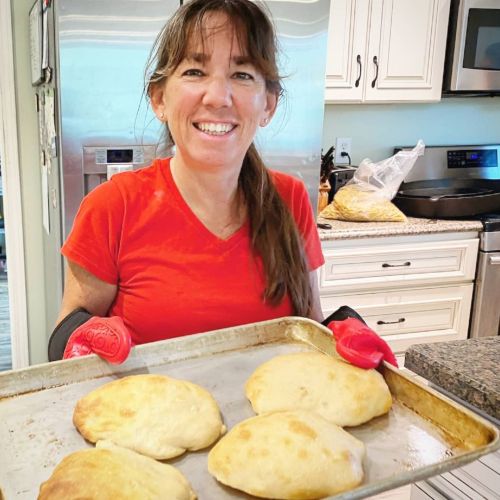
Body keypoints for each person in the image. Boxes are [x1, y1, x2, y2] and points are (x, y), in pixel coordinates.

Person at [49, 0, 325, 363]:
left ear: (268, 105)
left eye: (242, 74)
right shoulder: (112, 206)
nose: (217, 97)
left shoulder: (288, 198)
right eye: (195, 71)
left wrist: (343, 332)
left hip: (272, 417)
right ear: (160, 98)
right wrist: (82, 337)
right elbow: (63, 342)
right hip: (144, 417)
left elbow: (311, 326)